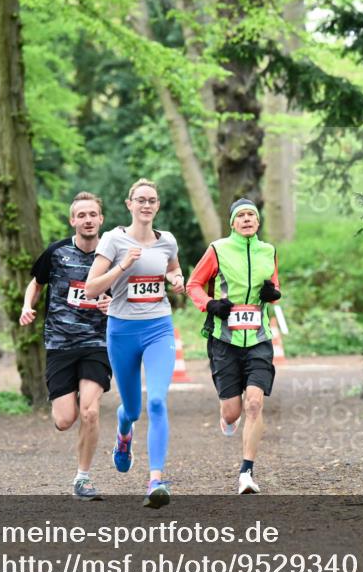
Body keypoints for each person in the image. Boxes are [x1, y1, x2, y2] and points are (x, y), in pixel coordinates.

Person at [85, 178, 185, 509]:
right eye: (140, 199)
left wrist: (176, 278)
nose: (146, 205)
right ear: (129, 204)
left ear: (157, 206)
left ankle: (156, 480)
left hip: (159, 327)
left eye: (152, 200)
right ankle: (124, 432)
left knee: (156, 402)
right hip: (123, 330)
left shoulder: (167, 241)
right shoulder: (114, 240)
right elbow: (91, 289)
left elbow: (172, 268)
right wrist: (122, 266)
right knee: (132, 408)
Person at [19, 191, 113, 500]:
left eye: (92, 215)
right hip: (60, 343)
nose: (87, 220)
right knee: (64, 420)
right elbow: (36, 282)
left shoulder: (112, 255)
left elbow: (126, 295)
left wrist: (112, 304)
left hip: (97, 342)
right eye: (81, 215)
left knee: (90, 412)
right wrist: (26, 307)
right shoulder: (56, 252)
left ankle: (83, 478)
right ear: (73, 220)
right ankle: (69, 391)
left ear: (101, 219)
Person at [186, 198, 281, 494]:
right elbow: (193, 285)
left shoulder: (269, 251)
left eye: (252, 214)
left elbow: (276, 287)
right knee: (232, 412)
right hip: (224, 339)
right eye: (241, 215)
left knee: (254, 402)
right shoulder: (218, 249)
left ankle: (246, 473)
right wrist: (210, 304)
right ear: (233, 223)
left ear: (258, 220)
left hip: (258, 338)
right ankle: (227, 416)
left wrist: (273, 293)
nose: (247, 219)